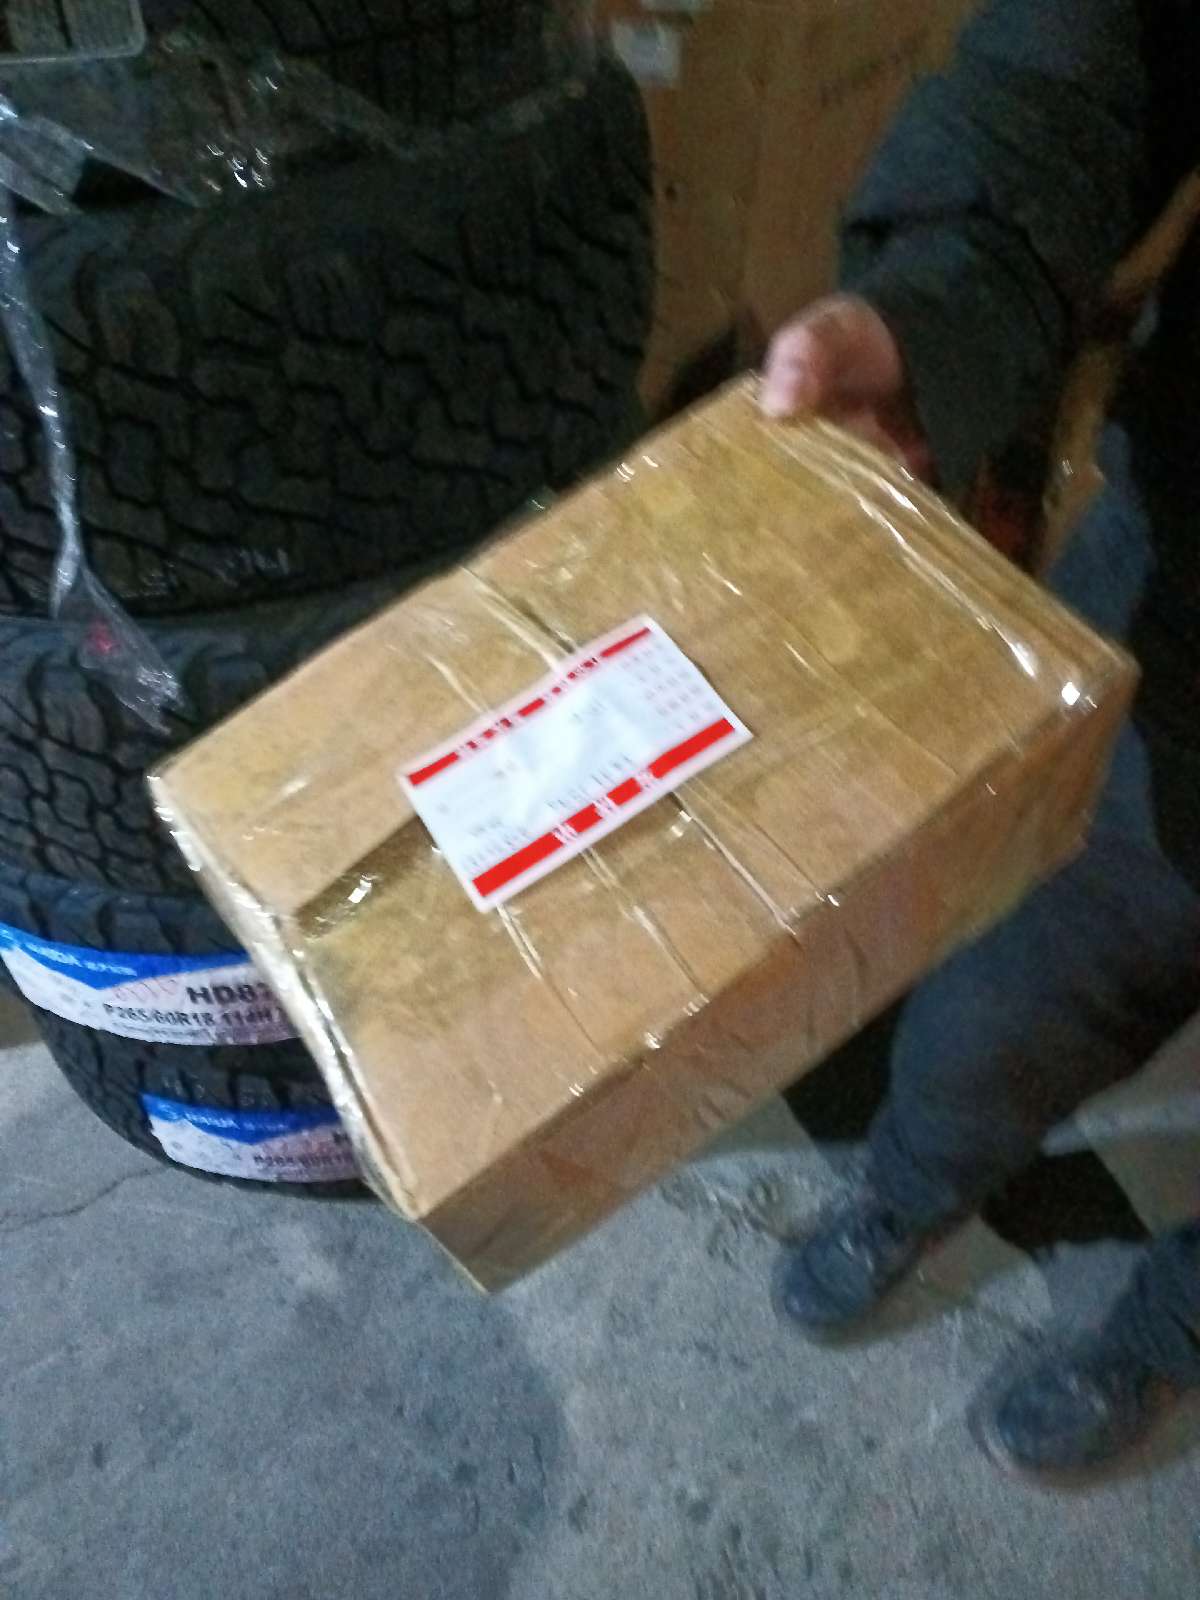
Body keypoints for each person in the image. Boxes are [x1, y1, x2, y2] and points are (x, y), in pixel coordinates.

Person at [761, 0, 1200, 1478]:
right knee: (1013, 986)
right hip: (1191, 610)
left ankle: (1169, 1333)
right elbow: (1106, 46)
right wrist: (945, 302)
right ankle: (911, 1183)